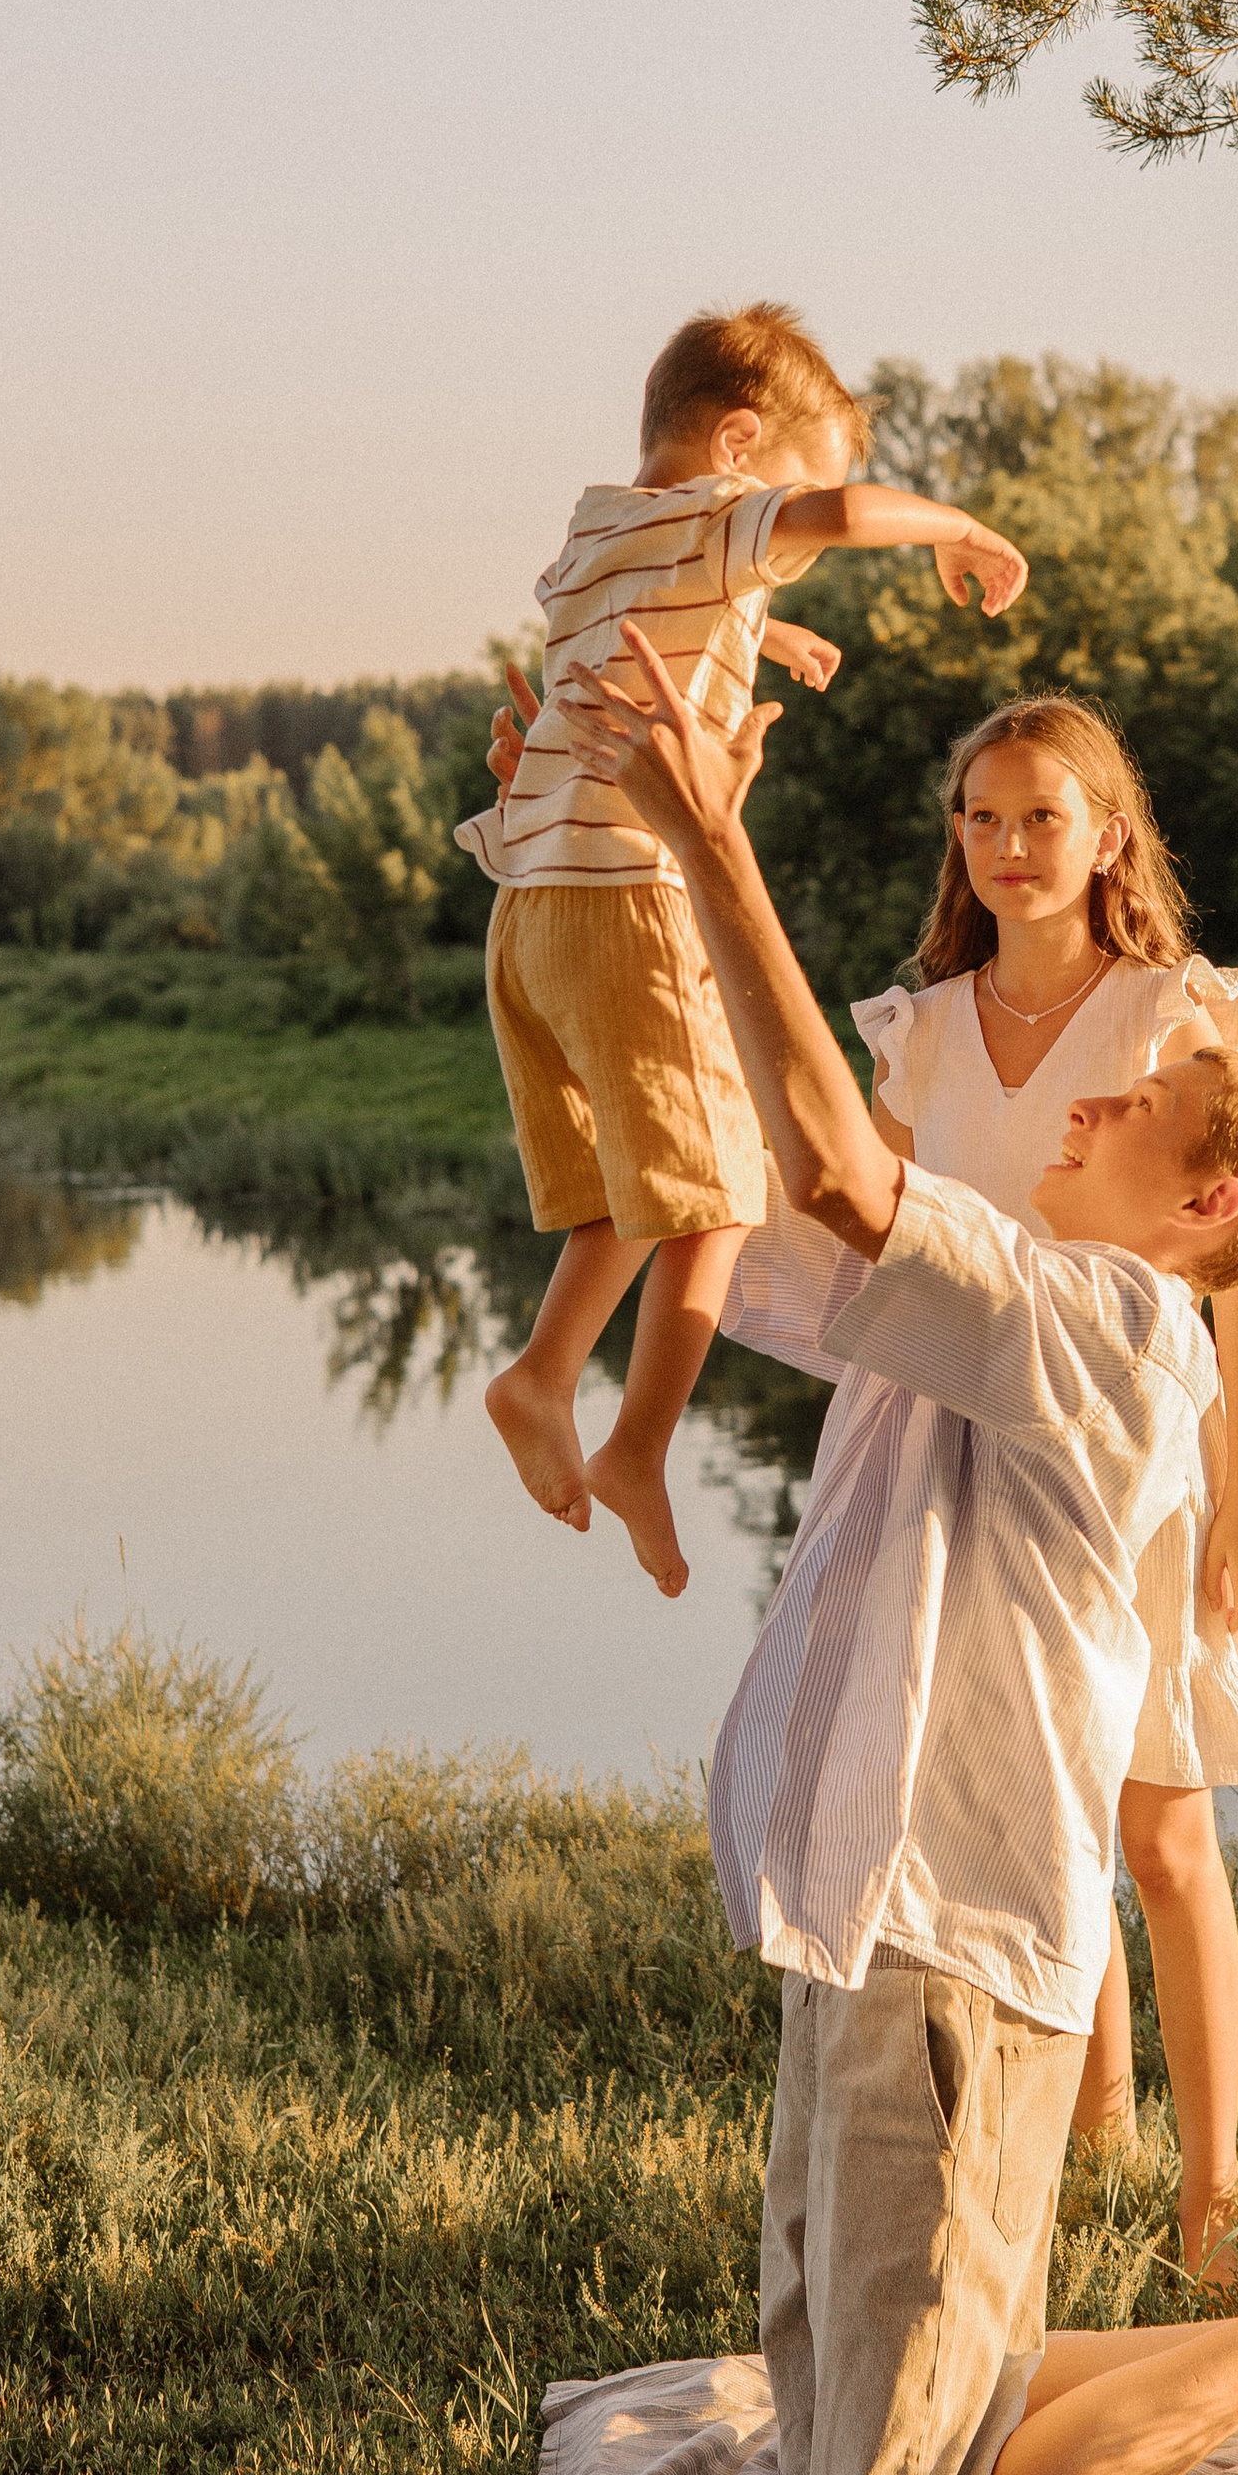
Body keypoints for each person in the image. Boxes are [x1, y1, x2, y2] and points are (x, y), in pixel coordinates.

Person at [561, 619, 1238, 2475]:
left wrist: (720, 841)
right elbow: (736, 1173)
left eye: (1134, 1114)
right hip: (859, 1908)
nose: (1087, 1111)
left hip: (950, 1937)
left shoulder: (1105, 1325)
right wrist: (636, 866)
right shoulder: (1006, 1296)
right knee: (828, 2444)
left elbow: (841, 1163)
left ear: (1204, 1208)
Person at [724, 692, 1238, 2295]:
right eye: (979, 817)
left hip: (1119, 1439)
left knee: (1162, 1826)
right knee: (1031, 1778)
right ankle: (1093, 2121)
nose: (1005, 845)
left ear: (1108, 836)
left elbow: (1236, 1266)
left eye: (1040, 815)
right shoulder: (924, 1027)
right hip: (963, 1436)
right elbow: (856, 1212)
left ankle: (1214, 2183)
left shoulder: (1166, 1017)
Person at [456, 302, 1027, 1598]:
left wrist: (764, 630)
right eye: (785, 508)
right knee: (720, 1186)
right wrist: (958, 528)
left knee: (630, 1187)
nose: (792, 547)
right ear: (735, 445)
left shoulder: (597, 533)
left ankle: (546, 1375)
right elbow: (840, 514)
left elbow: (649, 612)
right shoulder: (722, 514)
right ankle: (626, 1436)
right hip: (630, 898)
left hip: (529, 907)